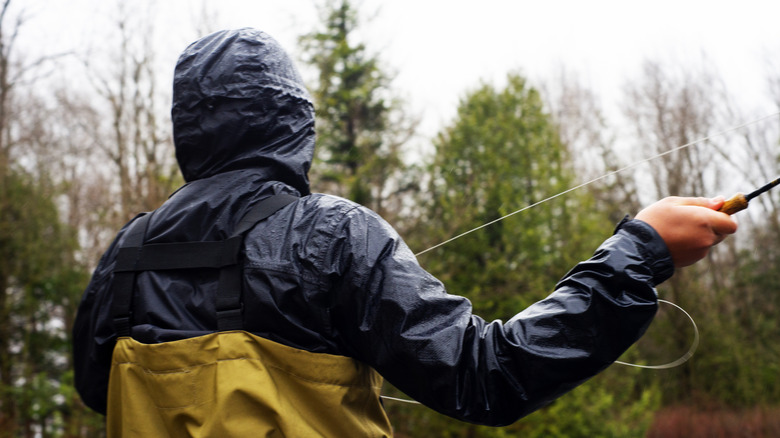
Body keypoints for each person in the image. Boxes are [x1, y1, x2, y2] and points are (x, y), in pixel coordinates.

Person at [72, 28, 738, 437]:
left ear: (186, 128)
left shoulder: (122, 260)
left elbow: (96, 393)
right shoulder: (329, 237)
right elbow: (489, 376)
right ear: (294, 122)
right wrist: (641, 249)